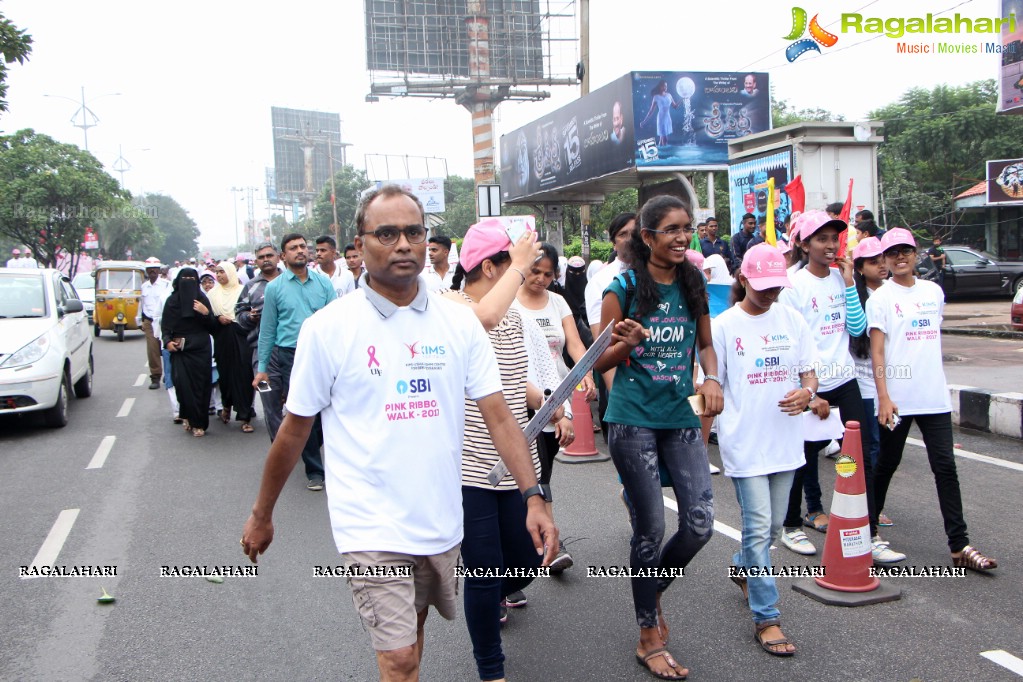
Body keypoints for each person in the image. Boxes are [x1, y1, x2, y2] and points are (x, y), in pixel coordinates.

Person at [240, 185, 557, 682]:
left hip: (438, 517)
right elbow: (294, 431)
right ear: (361, 244)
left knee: (414, 629)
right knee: (401, 656)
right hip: (368, 522)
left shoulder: (459, 324)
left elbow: (499, 416)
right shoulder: (328, 329)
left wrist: (533, 496)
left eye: (413, 232)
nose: (404, 243)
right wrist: (262, 514)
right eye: (387, 233)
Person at [594, 195, 723, 681]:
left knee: (700, 523)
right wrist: (625, 342)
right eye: (670, 229)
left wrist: (711, 379)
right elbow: (591, 361)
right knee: (649, 531)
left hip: (681, 417)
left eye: (686, 228)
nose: (681, 237)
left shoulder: (693, 281)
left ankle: (653, 589)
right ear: (646, 238)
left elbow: (705, 345)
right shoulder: (623, 287)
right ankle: (647, 634)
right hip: (631, 422)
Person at [440, 219, 565, 680]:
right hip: (467, 467)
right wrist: (519, 264)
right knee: (485, 571)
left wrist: (553, 404)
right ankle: (491, 668)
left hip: (516, 461)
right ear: (492, 267)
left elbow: (520, 380)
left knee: (529, 558)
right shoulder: (449, 305)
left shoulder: (514, 315)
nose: (531, 274)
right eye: (520, 266)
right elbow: (483, 318)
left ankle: (486, 594)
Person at [777, 210, 904, 563]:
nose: (831, 246)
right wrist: (810, 392)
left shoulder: (841, 278)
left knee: (856, 457)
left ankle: (868, 531)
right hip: (809, 384)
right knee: (803, 458)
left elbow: (857, 327)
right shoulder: (792, 284)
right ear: (804, 244)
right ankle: (791, 525)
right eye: (822, 239)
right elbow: (790, 342)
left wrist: (849, 282)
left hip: (845, 379)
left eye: (835, 239)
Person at [868, 228, 998, 572]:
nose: (899, 257)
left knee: (946, 469)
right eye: (892, 253)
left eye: (905, 251)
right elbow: (877, 352)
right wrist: (883, 396)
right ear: (884, 259)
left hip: (934, 397)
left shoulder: (933, 292)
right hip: (897, 399)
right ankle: (868, 532)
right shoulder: (880, 298)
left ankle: (960, 545)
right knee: (886, 465)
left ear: (916, 253)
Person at [713, 243, 819, 657]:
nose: (770, 293)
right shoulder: (724, 327)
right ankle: (767, 617)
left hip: (786, 442)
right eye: (762, 286)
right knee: (758, 528)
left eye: (777, 286)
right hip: (744, 444)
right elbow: (709, 389)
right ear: (742, 279)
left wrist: (807, 392)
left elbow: (810, 372)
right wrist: (694, 445)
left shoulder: (792, 319)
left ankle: (742, 566)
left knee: (773, 529)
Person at [513, 242, 596, 574]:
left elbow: (573, 344)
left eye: (548, 274)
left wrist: (584, 372)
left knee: (543, 473)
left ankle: (538, 539)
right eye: (535, 271)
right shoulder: (509, 304)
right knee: (533, 474)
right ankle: (548, 543)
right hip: (520, 402)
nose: (541, 279)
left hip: (556, 399)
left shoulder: (558, 301)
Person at [254, 233, 336, 491]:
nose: (300, 251)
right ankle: (314, 470)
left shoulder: (323, 284)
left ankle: (313, 446)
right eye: (293, 248)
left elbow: (336, 322)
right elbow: (267, 331)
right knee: (303, 410)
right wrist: (262, 368)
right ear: (283, 256)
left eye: (303, 246)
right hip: (291, 355)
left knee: (328, 409)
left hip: (324, 353)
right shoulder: (275, 288)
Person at [584, 213, 637, 441]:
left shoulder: (662, 274)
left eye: (634, 233)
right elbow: (602, 343)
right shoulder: (602, 282)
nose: (629, 239)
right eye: (622, 234)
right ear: (613, 242)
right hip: (622, 383)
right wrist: (618, 398)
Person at [161, 268, 217, 437]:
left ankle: (199, 423)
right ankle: (186, 414)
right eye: (184, 278)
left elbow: (213, 327)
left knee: (201, 386)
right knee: (183, 386)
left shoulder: (201, 299)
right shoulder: (171, 302)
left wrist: (205, 313)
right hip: (181, 349)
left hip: (201, 349)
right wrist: (167, 342)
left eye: (191, 279)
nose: (188, 282)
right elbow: (165, 327)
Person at [235, 241, 282, 431]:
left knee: (299, 404)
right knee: (270, 405)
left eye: (269, 255)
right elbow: (239, 314)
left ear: (278, 257)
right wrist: (249, 317)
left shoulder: (291, 281)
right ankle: (280, 451)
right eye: (261, 257)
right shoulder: (251, 287)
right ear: (256, 262)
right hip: (262, 355)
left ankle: (305, 449)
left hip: (292, 351)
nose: (266, 260)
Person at [209, 261, 256, 433]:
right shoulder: (212, 294)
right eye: (217, 272)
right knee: (226, 375)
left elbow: (249, 312)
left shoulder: (242, 291)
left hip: (242, 336)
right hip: (223, 338)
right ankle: (226, 405)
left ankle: (244, 416)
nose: (219, 275)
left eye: (222, 272)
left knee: (244, 374)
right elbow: (209, 321)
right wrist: (217, 319)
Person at [141, 258, 170, 390]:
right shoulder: (144, 286)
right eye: (150, 269)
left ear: (159, 270)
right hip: (149, 321)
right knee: (152, 350)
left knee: (165, 348)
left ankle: (168, 374)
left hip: (164, 321)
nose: (152, 271)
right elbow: (142, 305)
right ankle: (155, 376)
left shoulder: (166, 285)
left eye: (155, 269)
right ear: (146, 271)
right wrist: (140, 321)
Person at [640, 79, 679, 147]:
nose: (665, 87)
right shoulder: (656, 97)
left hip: (667, 118)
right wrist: (644, 121)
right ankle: (665, 154)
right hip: (661, 118)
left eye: (666, 86)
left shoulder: (669, 95)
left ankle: (660, 152)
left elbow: (675, 106)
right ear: (660, 87)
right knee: (665, 139)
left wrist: (682, 98)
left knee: (662, 139)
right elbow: (651, 111)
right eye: (664, 86)